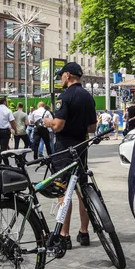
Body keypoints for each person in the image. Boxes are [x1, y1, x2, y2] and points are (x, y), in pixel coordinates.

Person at [43, 62, 97, 249]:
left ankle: (64, 235)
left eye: (61, 76)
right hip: (81, 147)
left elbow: (58, 125)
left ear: (68, 75)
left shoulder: (65, 96)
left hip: (64, 148)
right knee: (83, 191)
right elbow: (92, 127)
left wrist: (48, 122)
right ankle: (84, 233)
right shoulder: (88, 97)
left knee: (63, 191)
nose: (60, 79)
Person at [0, 97, 15, 165]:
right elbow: (12, 121)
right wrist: (15, 130)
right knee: (3, 149)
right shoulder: (8, 110)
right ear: (5, 102)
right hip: (5, 131)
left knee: (3, 147)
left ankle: (6, 164)